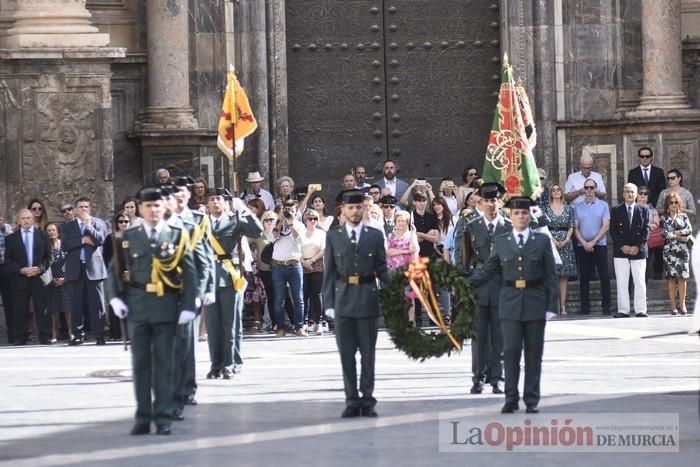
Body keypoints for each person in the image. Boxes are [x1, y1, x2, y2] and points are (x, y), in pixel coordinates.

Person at [107, 187, 197, 436]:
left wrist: (189, 305)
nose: (153, 210)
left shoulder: (177, 235)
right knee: (141, 365)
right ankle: (143, 417)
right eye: (148, 206)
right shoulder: (130, 236)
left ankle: (164, 416)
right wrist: (115, 298)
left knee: (164, 365)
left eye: (157, 205)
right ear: (141, 208)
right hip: (138, 306)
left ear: (163, 207)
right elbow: (115, 269)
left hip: (167, 307)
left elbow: (190, 273)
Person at [469, 197, 558, 414]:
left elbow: (551, 276)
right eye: (517, 214)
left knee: (533, 354)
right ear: (510, 215)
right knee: (510, 352)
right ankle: (511, 397)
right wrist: (457, 281)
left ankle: (531, 399)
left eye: (524, 214)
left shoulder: (541, 241)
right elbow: (488, 271)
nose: (520, 217)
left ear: (529, 216)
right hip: (509, 303)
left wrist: (551, 307)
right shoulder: (502, 241)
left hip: (535, 303)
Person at [323, 189, 389, 418]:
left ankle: (368, 400)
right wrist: (329, 303)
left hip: (368, 299)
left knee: (368, 355)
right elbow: (329, 273)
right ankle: (352, 400)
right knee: (347, 355)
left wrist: (395, 291)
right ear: (343, 210)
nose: (355, 211)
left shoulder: (375, 236)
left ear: (365, 208)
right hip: (343, 301)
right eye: (350, 208)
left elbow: (382, 269)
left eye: (359, 207)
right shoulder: (333, 237)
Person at [456, 183, 510, 395]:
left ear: (499, 202)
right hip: (479, 287)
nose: (490, 204)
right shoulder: (472, 226)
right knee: (479, 338)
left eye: (494, 200)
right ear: (480, 202)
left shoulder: (508, 226)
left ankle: (497, 378)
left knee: (500, 337)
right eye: (486, 201)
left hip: (501, 286)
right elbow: (463, 258)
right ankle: (478, 378)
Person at [205, 188, 262, 378]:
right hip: (209, 278)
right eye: (211, 199)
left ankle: (230, 363)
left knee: (231, 324)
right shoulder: (201, 223)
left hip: (230, 276)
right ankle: (216, 364)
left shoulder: (235, 220)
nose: (215, 203)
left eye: (218, 199)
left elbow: (257, 231)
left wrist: (244, 210)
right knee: (213, 326)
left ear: (227, 202)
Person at [60, 197, 109, 345]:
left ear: (90, 208)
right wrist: (82, 240)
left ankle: (100, 335)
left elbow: (100, 240)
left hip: (94, 268)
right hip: (75, 269)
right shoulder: (67, 227)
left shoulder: (99, 223)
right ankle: (77, 335)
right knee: (76, 304)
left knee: (97, 304)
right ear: (76, 210)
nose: (83, 209)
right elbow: (65, 245)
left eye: (86, 207)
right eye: (80, 207)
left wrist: (89, 227)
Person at [4, 208, 51, 345]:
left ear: (33, 219)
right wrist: (20, 270)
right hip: (19, 278)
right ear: (18, 220)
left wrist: (40, 269)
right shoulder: (11, 239)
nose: (26, 221)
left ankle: (45, 336)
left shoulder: (42, 236)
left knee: (42, 308)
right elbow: (7, 260)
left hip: (39, 277)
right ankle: (20, 337)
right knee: (19, 309)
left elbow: (49, 257)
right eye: (23, 218)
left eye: (28, 218)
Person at [610, 183, 649, 318]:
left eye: (632, 192)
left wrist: (637, 246)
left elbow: (645, 231)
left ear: (636, 194)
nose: (629, 194)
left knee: (639, 281)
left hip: (639, 250)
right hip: (621, 251)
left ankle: (640, 309)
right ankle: (623, 310)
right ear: (623, 194)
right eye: (627, 191)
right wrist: (622, 246)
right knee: (622, 281)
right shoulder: (616, 210)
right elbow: (613, 231)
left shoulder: (644, 210)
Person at [573, 179, 611, 315]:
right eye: (586, 188)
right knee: (583, 277)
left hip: (599, 245)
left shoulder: (603, 205)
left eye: (591, 187)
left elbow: (605, 226)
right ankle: (585, 307)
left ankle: (606, 306)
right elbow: (575, 227)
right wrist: (584, 243)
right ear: (583, 189)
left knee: (604, 276)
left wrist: (593, 241)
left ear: (595, 189)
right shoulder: (577, 207)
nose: (589, 190)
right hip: (582, 246)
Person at [271, 197, 307, 337]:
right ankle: (280, 327)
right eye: (286, 209)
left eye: (291, 209)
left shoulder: (299, 225)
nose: (289, 212)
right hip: (278, 266)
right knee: (279, 299)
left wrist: (291, 223)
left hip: (294, 265)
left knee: (298, 298)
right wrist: (279, 222)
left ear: (296, 210)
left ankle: (299, 327)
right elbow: (272, 238)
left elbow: (300, 240)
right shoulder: (276, 223)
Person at [543, 183, 576, 315]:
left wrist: (566, 239)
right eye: (553, 190)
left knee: (564, 277)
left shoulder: (568, 208)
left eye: (558, 190)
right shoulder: (545, 208)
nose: (556, 192)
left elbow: (572, 225)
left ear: (562, 192)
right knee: (552, 275)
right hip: (551, 241)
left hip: (566, 242)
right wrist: (553, 240)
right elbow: (544, 226)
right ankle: (553, 305)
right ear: (550, 193)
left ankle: (562, 306)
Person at [661, 192, 693, 316]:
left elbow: (688, 230)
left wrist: (676, 233)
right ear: (667, 205)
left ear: (679, 204)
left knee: (682, 277)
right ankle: (673, 305)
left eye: (675, 202)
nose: (673, 205)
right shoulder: (664, 218)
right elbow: (665, 234)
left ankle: (682, 304)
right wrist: (681, 235)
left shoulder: (684, 216)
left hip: (683, 251)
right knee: (671, 278)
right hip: (669, 251)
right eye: (671, 202)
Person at [386, 211, 419, 321]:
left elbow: (413, 249)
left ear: (407, 222)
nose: (400, 223)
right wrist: (405, 251)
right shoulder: (391, 235)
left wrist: (414, 233)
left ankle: (411, 321)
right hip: (393, 269)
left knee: (409, 296)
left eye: (403, 221)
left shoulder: (411, 235)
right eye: (398, 221)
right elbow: (388, 251)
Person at [103, 211, 130, 340]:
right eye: (121, 221)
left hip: (131, 275)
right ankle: (116, 333)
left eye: (126, 221)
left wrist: (130, 271)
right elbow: (107, 257)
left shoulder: (135, 237)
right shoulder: (110, 238)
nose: (123, 224)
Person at [301, 209, 326, 335]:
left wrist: (311, 260)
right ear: (305, 221)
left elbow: (324, 249)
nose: (312, 221)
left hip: (317, 265)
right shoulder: (301, 233)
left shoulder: (321, 233)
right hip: (302, 265)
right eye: (310, 219)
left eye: (315, 219)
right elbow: (295, 248)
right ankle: (304, 322)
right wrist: (304, 262)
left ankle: (318, 322)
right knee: (304, 295)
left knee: (316, 295)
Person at [46, 223, 70, 343]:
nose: (51, 232)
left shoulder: (64, 244)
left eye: (53, 230)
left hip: (65, 280)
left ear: (57, 231)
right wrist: (51, 279)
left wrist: (64, 278)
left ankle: (71, 333)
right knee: (53, 309)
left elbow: (70, 261)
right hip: (51, 280)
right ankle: (54, 334)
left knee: (68, 308)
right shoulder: (46, 246)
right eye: (49, 230)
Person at [636, 186, 663, 280]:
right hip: (635, 240)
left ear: (648, 196)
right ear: (636, 195)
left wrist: (645, 225)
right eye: (641, 193)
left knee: (646, 265)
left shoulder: (652, 209)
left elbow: (656, 224)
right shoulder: (632, 208)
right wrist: (648, 225)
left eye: (645, 194)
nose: (643, 195)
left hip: (649, 240)